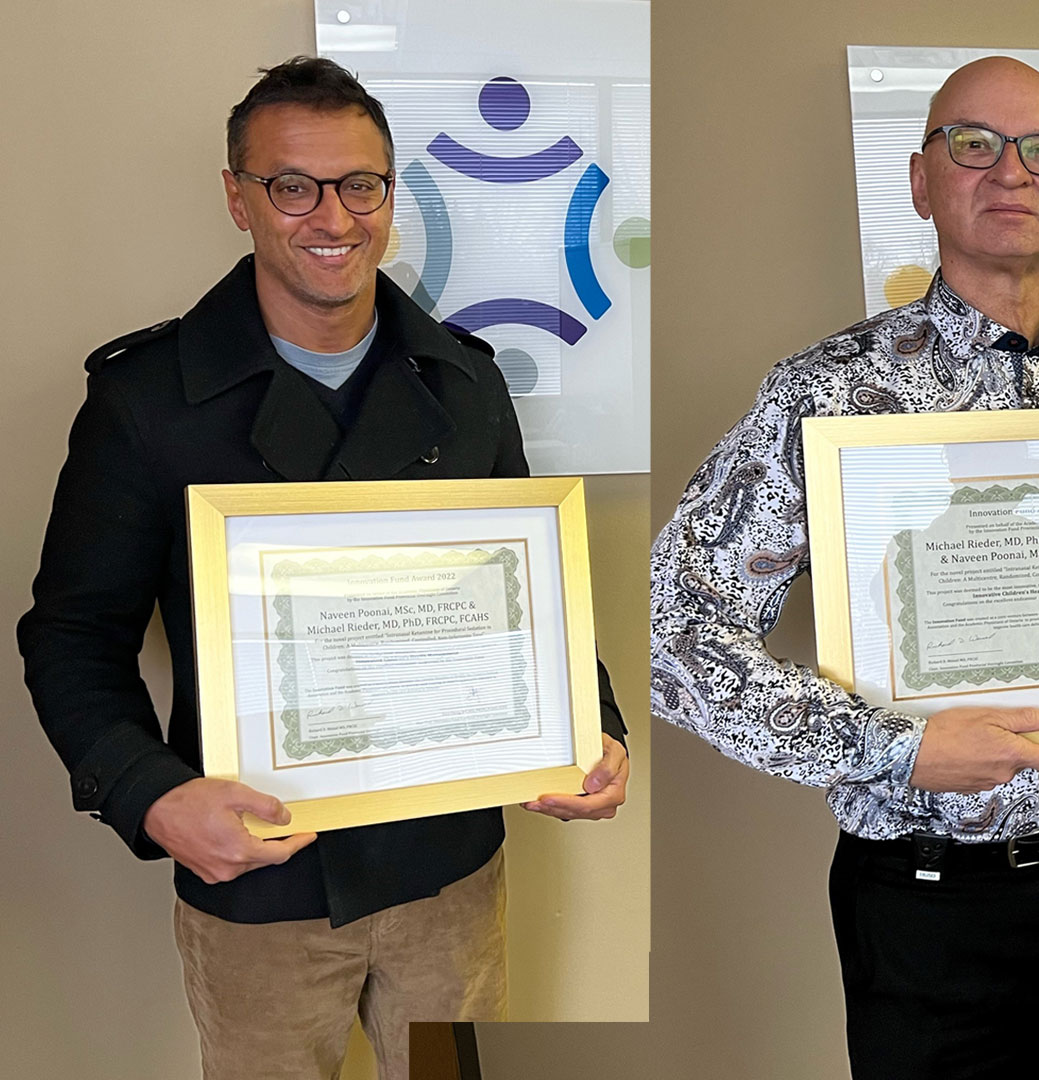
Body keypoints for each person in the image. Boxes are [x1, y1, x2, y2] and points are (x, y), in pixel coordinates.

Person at [650, 56, 1039, 1079]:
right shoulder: (829, 397)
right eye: (973, 144)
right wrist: (896, 750)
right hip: (940, 909)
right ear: (921, 180)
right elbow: (672, 638)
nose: (1010, 171)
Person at [16, 57, 631, 1080]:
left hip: (449, 865)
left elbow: (532, 595)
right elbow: (72, 638)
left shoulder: (464, 382)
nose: (331, 216)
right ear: (239, 197)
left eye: (360, 185)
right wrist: (152, 796)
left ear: (391, 194)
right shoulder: (150, 402)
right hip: (264, 882)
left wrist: (590, 724)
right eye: (292, 186)